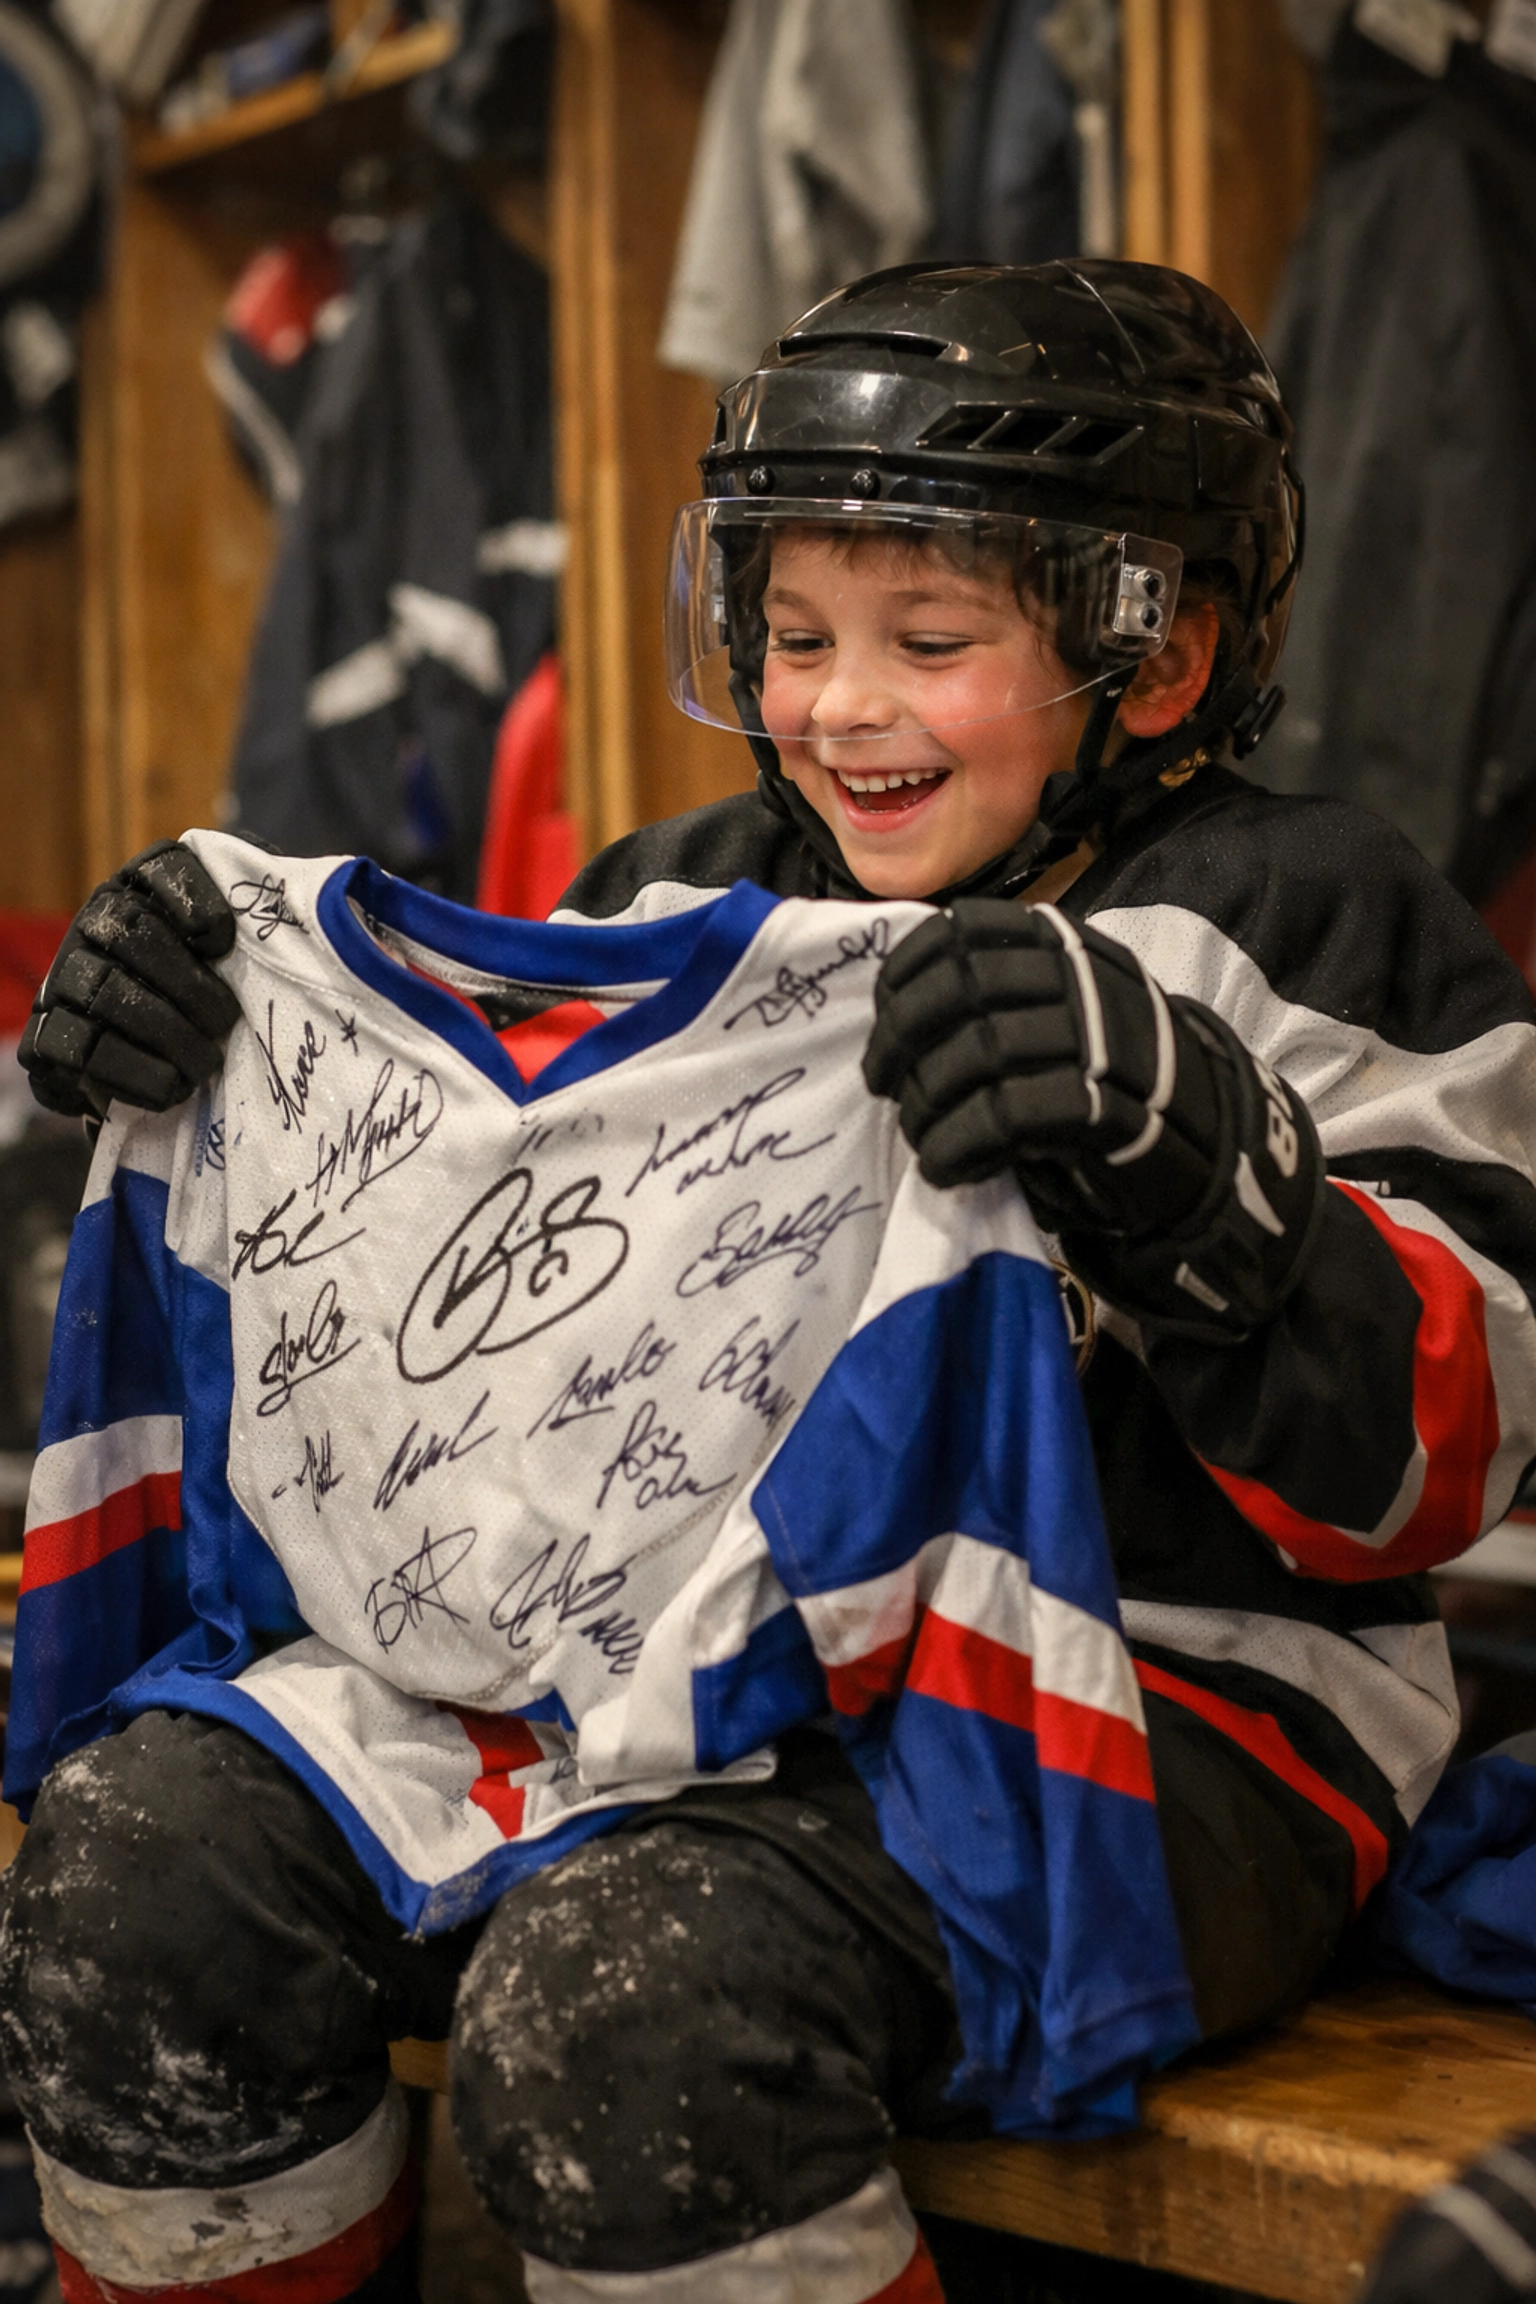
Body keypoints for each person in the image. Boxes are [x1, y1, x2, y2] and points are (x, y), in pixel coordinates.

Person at [6, 260, 1536, 2304]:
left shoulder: (1309, 910)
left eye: (929, 639)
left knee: (636, 2014)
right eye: (795, 635)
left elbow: (1470, 1447)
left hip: (1169, 1697)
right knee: (128, 1880)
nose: (838, 705)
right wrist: (185, 1048)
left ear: (1155, 659)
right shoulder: (666, 894)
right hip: (645, 1673)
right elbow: (481, 1300)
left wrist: (1211, 1184)